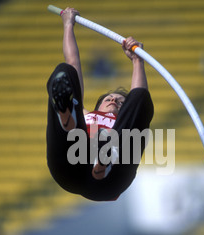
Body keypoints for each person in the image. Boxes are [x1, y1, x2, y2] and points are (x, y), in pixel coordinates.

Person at [46, 7, 154, 201]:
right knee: (65, 73)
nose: (113, 100)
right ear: (97, 107)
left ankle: (103, 162)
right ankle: (65, 117)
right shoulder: (87, 114)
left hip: (110, 182)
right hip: (69, 165)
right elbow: (73, 62)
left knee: (140, 101)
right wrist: (68, 24)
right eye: (108, 99)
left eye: (120, 102)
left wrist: (137, 61)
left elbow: (137, 99)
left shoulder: (124, 123)